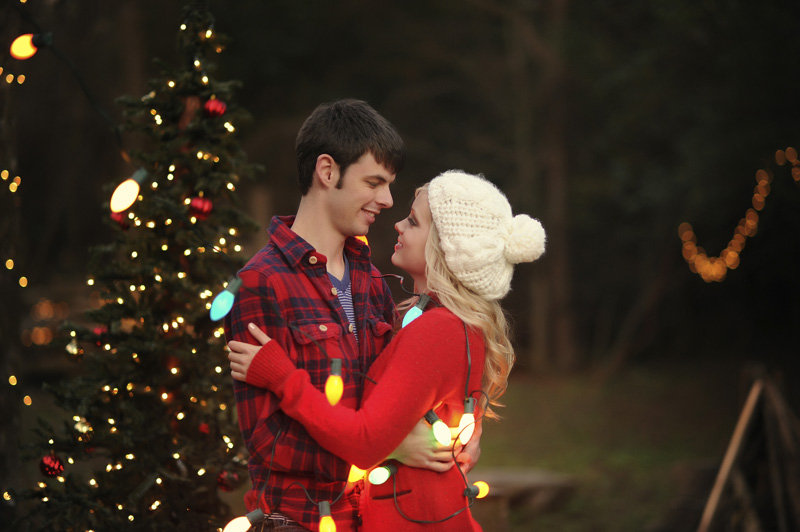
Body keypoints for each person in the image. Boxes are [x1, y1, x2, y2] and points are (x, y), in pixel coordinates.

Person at [228, 170, 546, 530]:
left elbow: (365, 442)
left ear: (444, 248)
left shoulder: (438, 329)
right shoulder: (442, 320)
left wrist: (283, 376)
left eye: (413, 221)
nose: (397, 224)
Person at [223, 100, 478, 532]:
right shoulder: (261, 283)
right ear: (327, 171)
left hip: (376, 517)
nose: (387, 200)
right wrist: (382, 449)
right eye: (374, 182)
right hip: (297, 520)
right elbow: (269, 443)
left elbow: (399, 397)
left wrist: (458, 433)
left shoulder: (373, 282)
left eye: (390, 185)